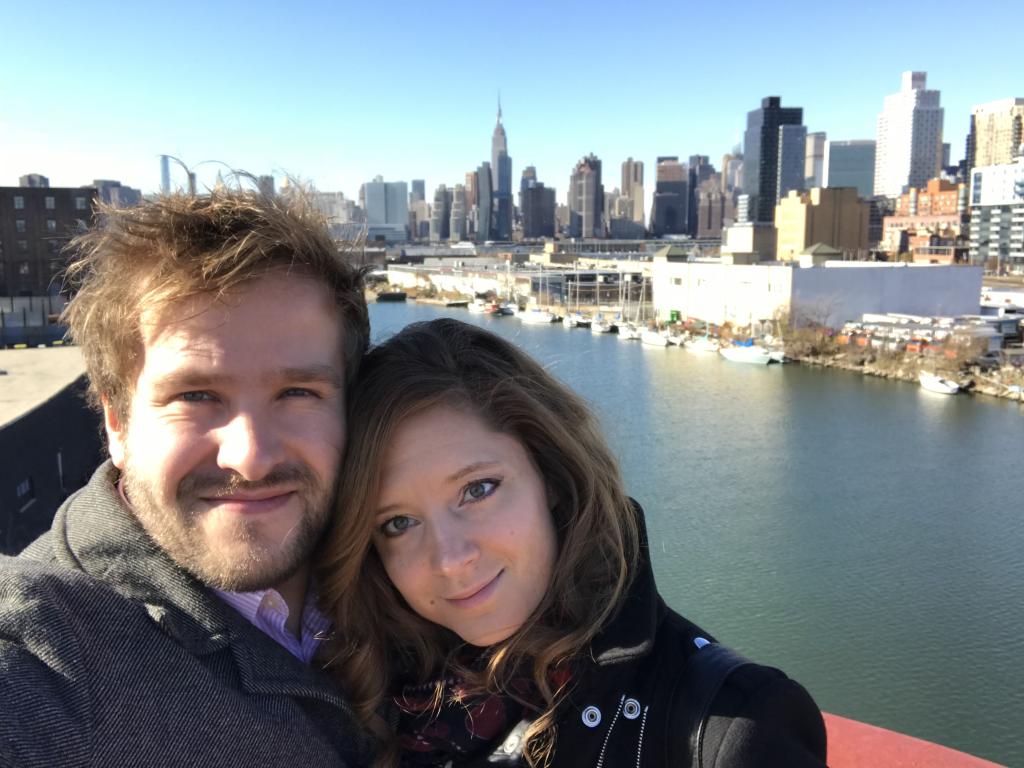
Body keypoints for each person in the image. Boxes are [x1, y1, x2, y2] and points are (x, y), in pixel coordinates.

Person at [318, 318, 828, 768]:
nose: (451, 559)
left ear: (553, 478)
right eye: (398, 523)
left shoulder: (732, 730)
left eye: (478, 490)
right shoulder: (360, 699)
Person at [0, 187, 372, 767]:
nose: (251, 457)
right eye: (195, 395)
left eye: (298, 392)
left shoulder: (413, 557)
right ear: (117, 423)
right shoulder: (51, 654)